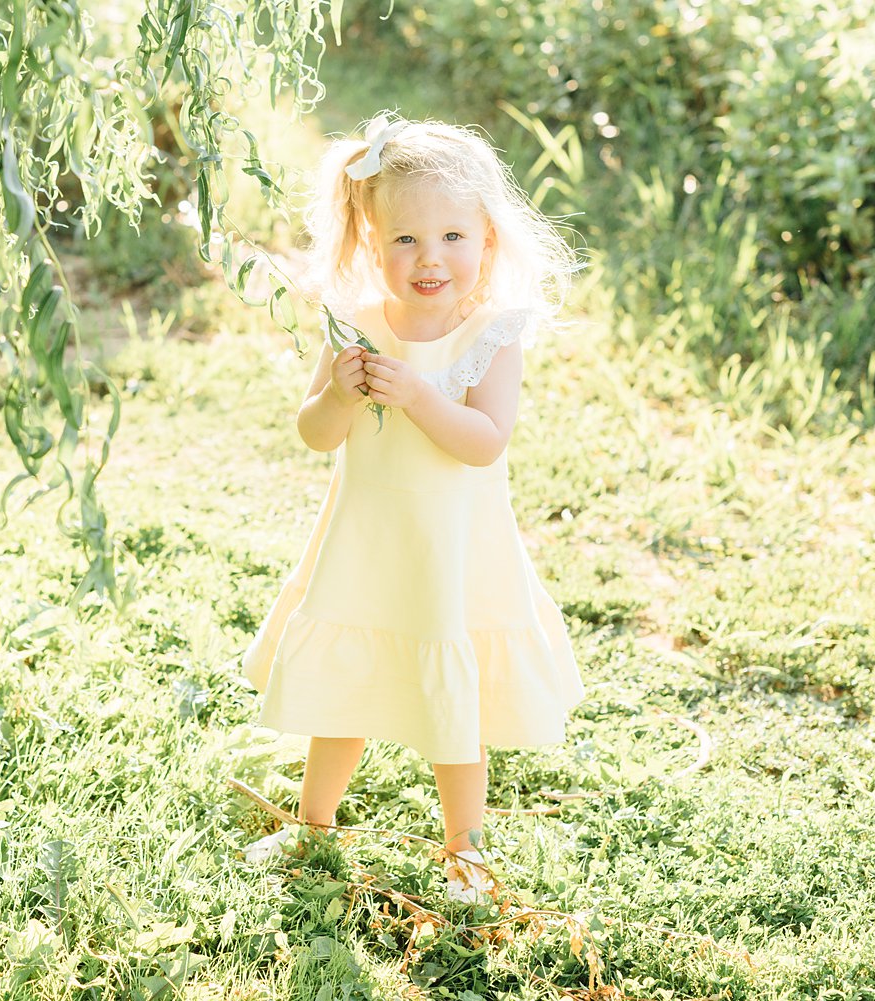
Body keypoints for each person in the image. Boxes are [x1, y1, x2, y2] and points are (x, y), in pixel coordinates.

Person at [240, 114, 587, 901]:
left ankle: (464, 848)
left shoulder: (494, 335)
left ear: (487, 240)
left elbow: (483, 440)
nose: (431, 259)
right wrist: (337, 390)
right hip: (367, 541)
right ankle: (312, 827)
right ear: (371, 243)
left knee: (451, 698)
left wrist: (421, 395)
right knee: (344, 688)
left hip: (452, 551)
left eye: (453, 237)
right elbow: (315, 433)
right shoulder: (357, 327)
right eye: (406, 241)